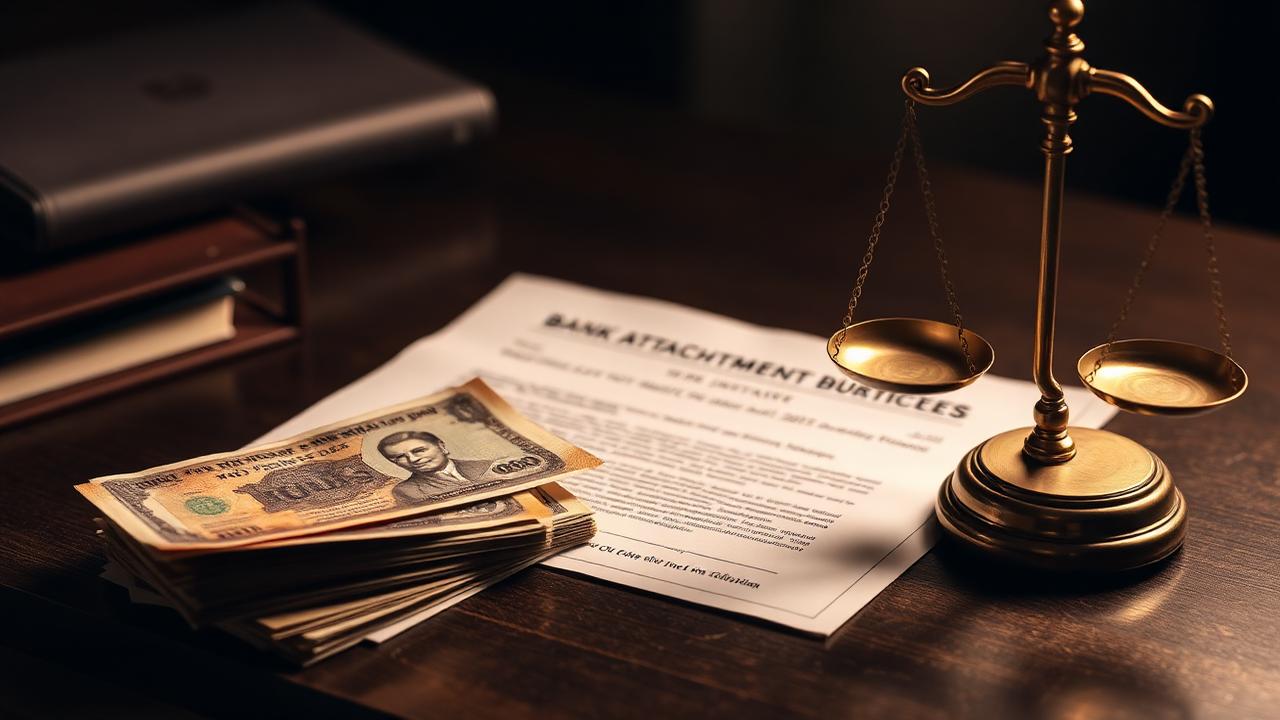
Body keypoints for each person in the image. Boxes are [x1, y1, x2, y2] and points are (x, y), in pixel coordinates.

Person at [377, 431, 490, 506]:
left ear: (441, 446)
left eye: (419, 450)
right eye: (400, 457)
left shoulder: (487, 465)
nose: (413, 459)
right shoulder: (407, 491)